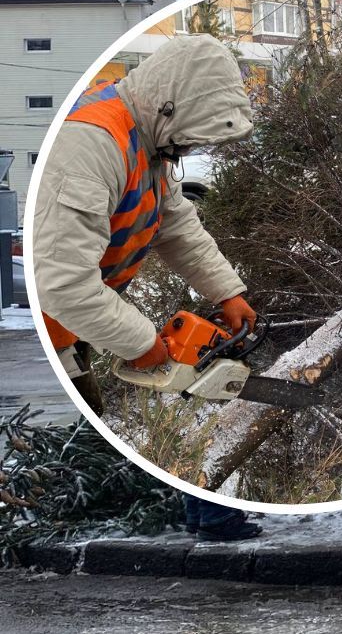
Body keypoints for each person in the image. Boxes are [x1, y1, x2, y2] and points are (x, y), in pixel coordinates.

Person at [32, 35, 262, 542]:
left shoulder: (149, 140)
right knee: (88, 435)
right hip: (53, 322)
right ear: (169, 103)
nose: (189, 151)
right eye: (188, 139)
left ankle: (203, 514)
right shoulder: (90, 144)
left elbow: (175, 224)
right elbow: (63, 283)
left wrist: (226, 290)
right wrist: (143, 343)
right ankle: (71, 532)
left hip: (78, 322)